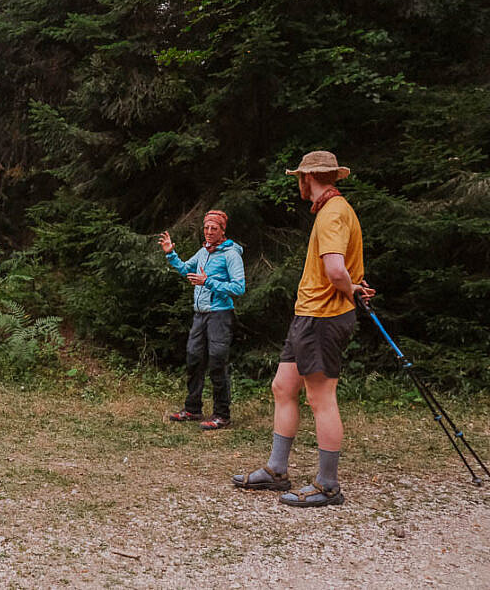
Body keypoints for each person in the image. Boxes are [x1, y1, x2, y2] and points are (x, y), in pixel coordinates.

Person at [233, 151, 373, 507]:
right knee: (283, 387)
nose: (298, 182)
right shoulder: (334, 212)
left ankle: (328, 485)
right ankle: (277, 471)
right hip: (308, 316)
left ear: (307, 177)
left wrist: (351, 289)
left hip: (323, 318)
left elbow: (337, 270)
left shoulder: (333, 214)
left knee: (320, 397)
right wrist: (351, 287)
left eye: (299, 177)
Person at [160, 210, 245, 430]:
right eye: (206, 228)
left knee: (217, 362)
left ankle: (222, 415)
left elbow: (239, 287)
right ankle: (192, 409)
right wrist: (171, 254)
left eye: (213, 228)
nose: (208, 232)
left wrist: (208, 282)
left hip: (220, 315)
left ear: (222, 230)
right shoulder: (204, 251)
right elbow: (186, 269)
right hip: (200, 314)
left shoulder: (231, 254)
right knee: (194, 358)